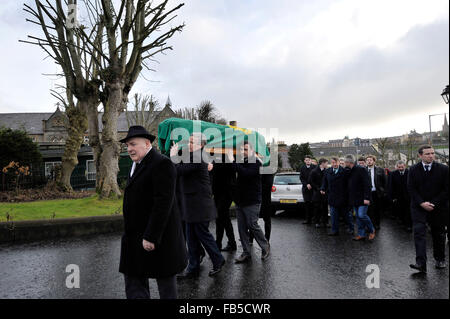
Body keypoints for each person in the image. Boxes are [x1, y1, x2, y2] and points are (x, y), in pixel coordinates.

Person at [119, 126, 187, 299]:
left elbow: (163, 203)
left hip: (157, 237)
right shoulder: (136, 163)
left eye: (133, 144)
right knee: (135, 283)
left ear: (147, 143)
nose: (129, 149)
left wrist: (151, 236)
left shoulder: (162, 163)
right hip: (135, 236)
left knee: (165, 286)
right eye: (127, 146)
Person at [171, 133, 225, 278]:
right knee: (191, 237)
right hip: (191, 203)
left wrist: (173, 155)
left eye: (192, 142)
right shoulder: (193, 155)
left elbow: (178, 170)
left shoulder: (198, 156)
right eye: (189, 141)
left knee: (203, 236)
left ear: (201, 145)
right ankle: (192, 267)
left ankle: (218, 260)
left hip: (199, 204)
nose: (189, 144)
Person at [227, 141, 270, 263]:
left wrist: (232, 161)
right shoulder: (241, 161)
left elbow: (246, 173)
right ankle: (246, 252)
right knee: (241, 228)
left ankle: (265, 246)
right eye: (241, 150)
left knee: (252, 225)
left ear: (252, 151)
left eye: (245, 149)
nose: (243, 152)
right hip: (240, 200)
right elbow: (233, 170)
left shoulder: (256, 162)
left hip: (252, 200)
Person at [407, 145, 448, 273]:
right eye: (427, 154)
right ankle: (421, 263)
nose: (431, 156)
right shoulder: (413, 170)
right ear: (420, 155)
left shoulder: (444, 169)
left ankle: (440, 259)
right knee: (419, 233)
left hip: (438, 207)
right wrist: (421, 203)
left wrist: (433, 203)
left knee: (438, 234)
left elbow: (447, 189)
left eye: (432, 153)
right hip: (419, 207)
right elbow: (411, 189)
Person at [345, 154, 375, 241]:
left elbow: (367, 184)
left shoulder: (361, 170)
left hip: (363, 198)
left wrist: (367, 198)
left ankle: (371, 230)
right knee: (358, 217)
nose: (345, 164)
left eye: (345, 162)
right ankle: (361, 234)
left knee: (362, 215)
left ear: (349, 162)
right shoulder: (348, 170)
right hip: (354, 198)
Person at [321, 157, 354, 235]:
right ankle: (335, 230)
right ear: (331, 163)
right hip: (332, 197)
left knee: (347, 215)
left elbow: (350, 183)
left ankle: (351, 228)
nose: (334, 164)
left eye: (336, 162)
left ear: (339, 162)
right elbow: (324, 182)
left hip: (343, 197)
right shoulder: (327, 171)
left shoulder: (345, 171)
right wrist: (323, 188)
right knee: (333, 215)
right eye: (333, 162)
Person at [211, 159, 237, 252]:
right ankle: (231, 243)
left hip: (227, 191)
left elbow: (231, 170)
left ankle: (218, 244)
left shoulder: (228, 157)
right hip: (218, 192)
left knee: (221, 216)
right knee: (224, 217)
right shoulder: (215, 157)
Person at [388, 160, 412, 232]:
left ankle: (408, 225)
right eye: (399, 167)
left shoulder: (409, 173)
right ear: (396, 167)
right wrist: (392, 197)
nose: (401, 168)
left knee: (408, 211)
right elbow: (390, 186)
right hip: (397, 196)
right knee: (400, 209)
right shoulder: (393, 174)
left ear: (405, 166)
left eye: (402, 167)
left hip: (408, 196)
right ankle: (402, 221)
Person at [366, 155, 387, 230]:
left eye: (370, 160)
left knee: (377, 209)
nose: (369, 161)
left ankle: (377, 224)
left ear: (374, 161)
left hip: (377, 193)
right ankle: (369, 225)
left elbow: (385, 181)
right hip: (368, 193)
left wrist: (383, 191)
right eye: (367, 160)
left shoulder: (380, 170)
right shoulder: (363, 170)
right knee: (368, 210)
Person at [309, 158, 329, 228]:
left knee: (325, 207)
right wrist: (319, 189)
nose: (327, 164)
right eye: (326, 163)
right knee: (317, 208)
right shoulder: (314, 171)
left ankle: (325, 222)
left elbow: (328, 182)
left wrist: (325, 189)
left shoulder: (327, 171)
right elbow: (311, 182)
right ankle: (317, 222)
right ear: (322, 163)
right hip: (317, 192)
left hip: (325, 192)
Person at [299, 155, 316, 224]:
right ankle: (308, 220)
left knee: (314, 204)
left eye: (309, 160)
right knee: (307, 205)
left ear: (311, 160)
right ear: (304, 161)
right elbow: (301, 178)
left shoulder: (314, 167)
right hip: (305, 189)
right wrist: (306, 184)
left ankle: (315, 219)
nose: (308, 161)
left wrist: (311, 184)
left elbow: (315, 177)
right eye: (306, 160)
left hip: (313, 188)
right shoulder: (302, 167)